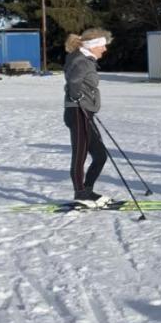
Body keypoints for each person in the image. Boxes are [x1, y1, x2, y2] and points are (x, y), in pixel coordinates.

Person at [63, 28, 114, 207]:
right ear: (93, 46)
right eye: (102, 46)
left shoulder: (85, 59)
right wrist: (77, 97)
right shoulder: (81, 61)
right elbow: (73, 82)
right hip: (77, 112)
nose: (105, 49)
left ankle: (87, 190)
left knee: (100, 155)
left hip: (85, 111)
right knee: (80, 154)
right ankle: (81, 193)